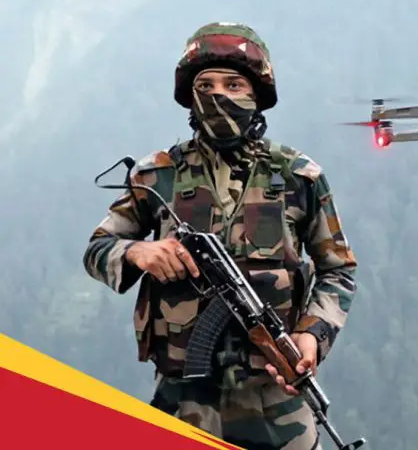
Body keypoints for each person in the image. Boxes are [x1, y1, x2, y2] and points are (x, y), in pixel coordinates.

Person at [82, 22, 358, 449]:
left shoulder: (297, 175)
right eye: (205, 84)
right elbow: (98, 249)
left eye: (234, 83)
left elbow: (337, 270)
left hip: (274, 400)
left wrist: (312, 335)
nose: (218, 95)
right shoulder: (156, 175)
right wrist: (140, 252)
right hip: (182, 397)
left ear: (257, 93)